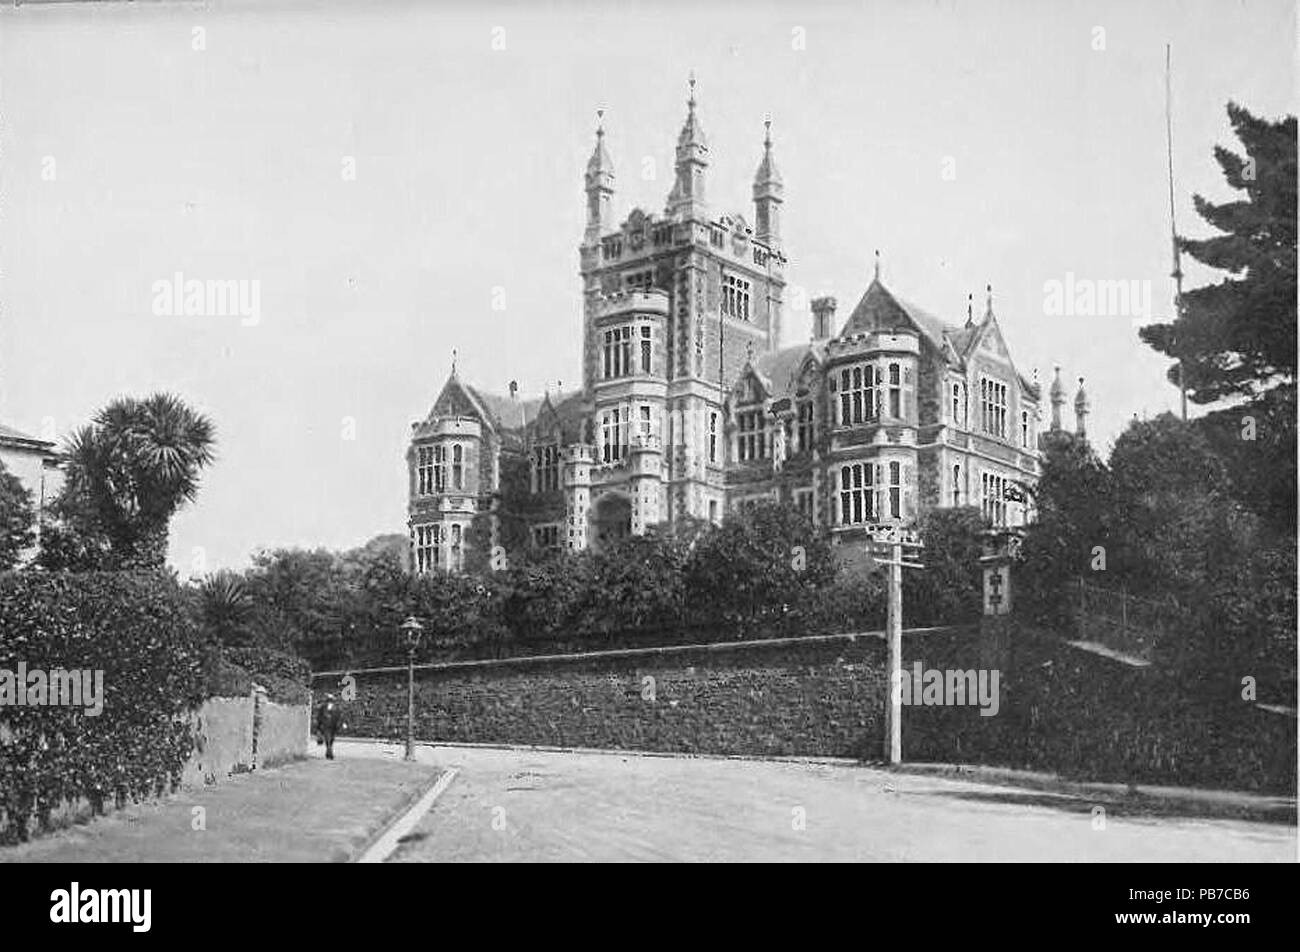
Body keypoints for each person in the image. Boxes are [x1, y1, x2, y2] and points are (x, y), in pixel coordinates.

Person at [314, 693, 346, 760]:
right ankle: (329, 752)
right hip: (331, 725)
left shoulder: (324, 707)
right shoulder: (336, 707)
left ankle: (329, 751)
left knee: (329, 739)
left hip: (328, 725)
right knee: (330, 739)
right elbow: (340, 717)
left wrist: (318, 725)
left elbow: (319, 716)